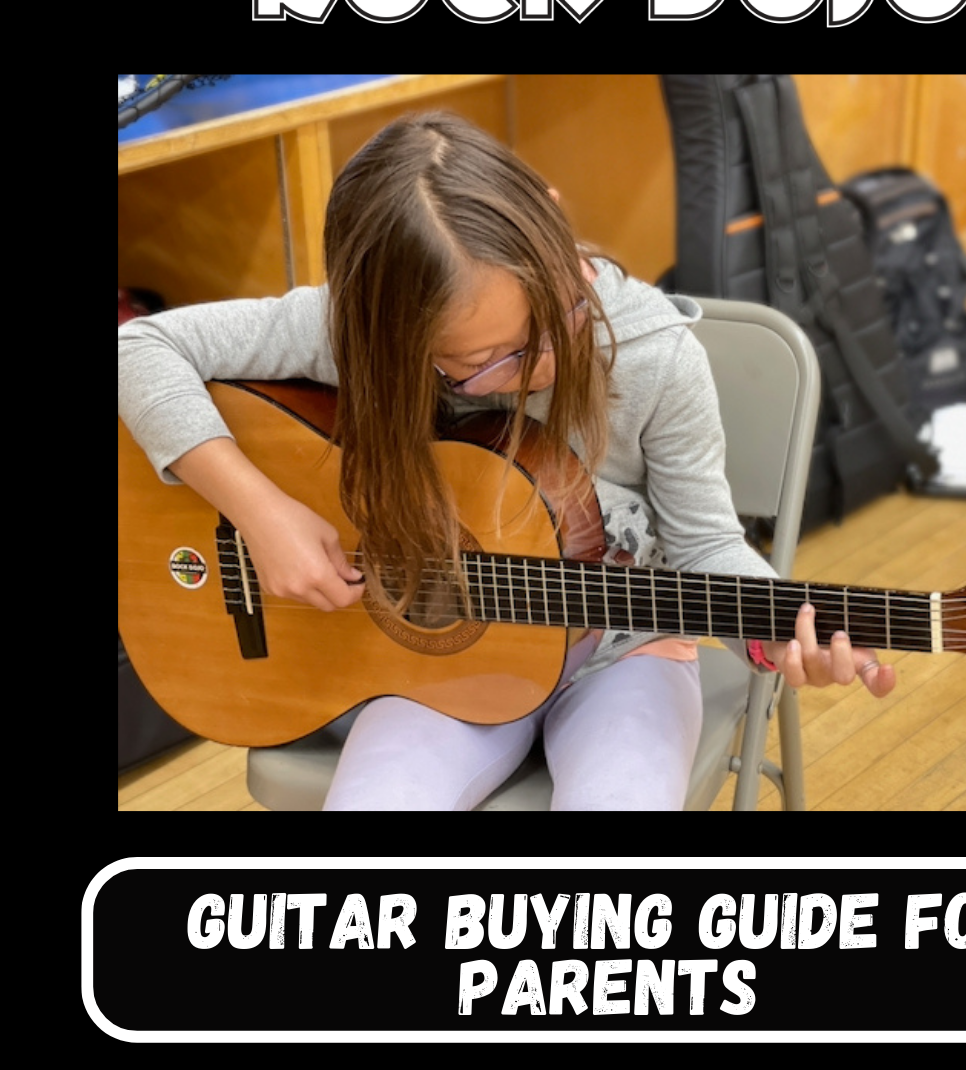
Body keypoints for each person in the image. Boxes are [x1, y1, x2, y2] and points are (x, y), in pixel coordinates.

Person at [117, 110, 895, 811]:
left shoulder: (655, 357)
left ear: (552, 220)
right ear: (391, 339)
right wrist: (261, 512)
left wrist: (779, 633)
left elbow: (707, 545)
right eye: (485, 360)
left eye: (555, 315)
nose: (543, 363)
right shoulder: (348, 331)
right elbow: (136, 347)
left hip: (620, 654)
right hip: (427, 664)